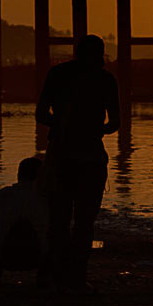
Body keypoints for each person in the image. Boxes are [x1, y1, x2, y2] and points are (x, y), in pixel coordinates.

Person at [36, 34, 120, 291]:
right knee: (84, 222)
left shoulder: (58, 74)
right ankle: (77, 278)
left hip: (61, 155)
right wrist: (94, 129)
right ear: (101, 54)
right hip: (91, 157)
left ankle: (55, 275)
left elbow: (41, 114)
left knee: (59, 219)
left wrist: (61, 125)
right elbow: (115, 123)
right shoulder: (105, 80)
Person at [0, 156, 50, 286]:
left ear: (18, 174)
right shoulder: (46, 198)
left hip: (3, 255)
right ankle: (45, 277)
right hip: (36, 256)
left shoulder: (2, 195)